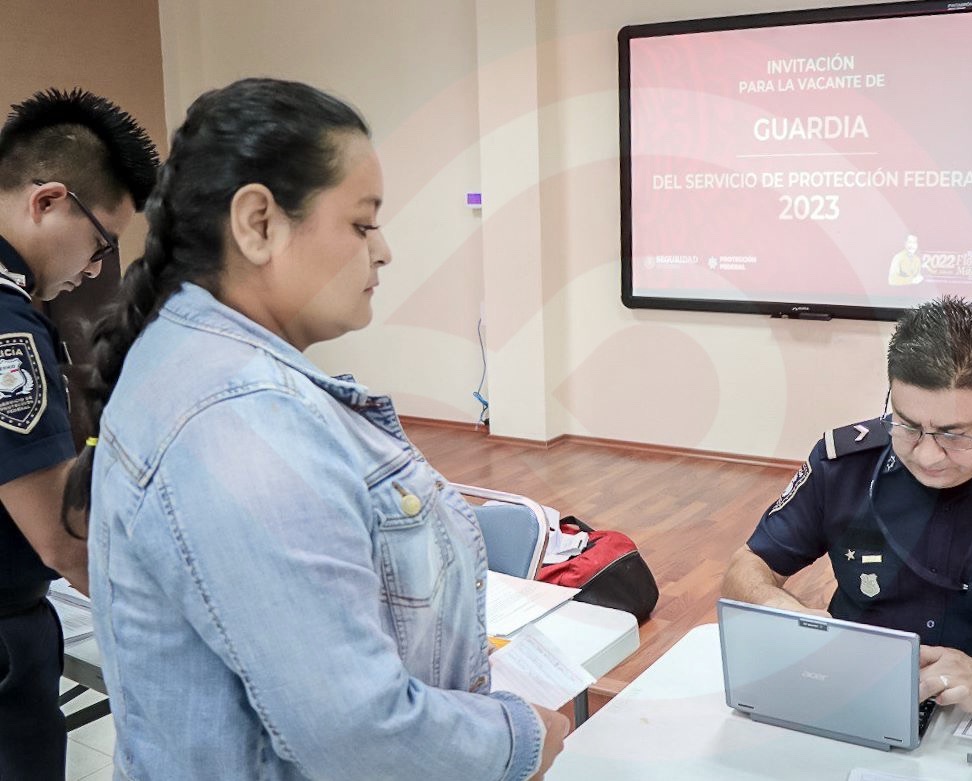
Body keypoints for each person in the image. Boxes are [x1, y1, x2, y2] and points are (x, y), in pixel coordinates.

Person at [62, 78, 568, 780]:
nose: (383, 251)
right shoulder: (242, 416)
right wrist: (520, 738)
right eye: (362, 224)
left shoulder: (191, 362)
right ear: (258, 224)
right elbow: (356, 730)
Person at [722, 296, 972, 714]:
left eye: (954, 434)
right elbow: (748, 566)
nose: (926, 455)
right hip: (863, 695)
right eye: (907, 424)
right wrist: (787, 614)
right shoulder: (844, 465)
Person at [0, 88, 157, 779]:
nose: (94, 269)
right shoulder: (8, 325)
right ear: (47, 201)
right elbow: (61, 540)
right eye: (99, 243)